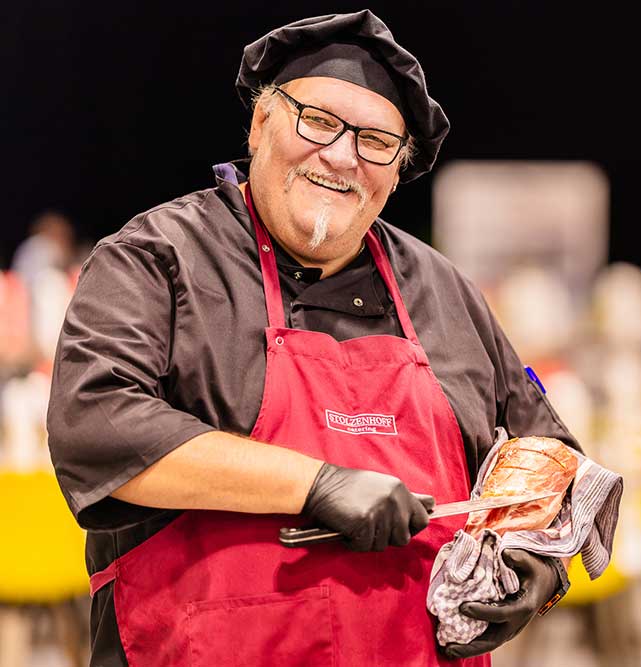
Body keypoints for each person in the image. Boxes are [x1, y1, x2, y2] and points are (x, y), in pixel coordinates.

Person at [47, 10, 585, 666]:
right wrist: (316, 483)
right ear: (260, 123)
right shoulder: (158, 259)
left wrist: (536, 555)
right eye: (319, 121)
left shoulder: (445, 292)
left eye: (376, 141)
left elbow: (543, 447)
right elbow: (95, 423)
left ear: (397, 171)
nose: (342, 156)